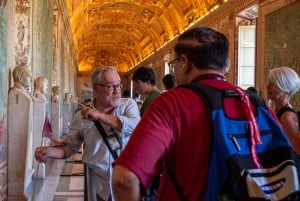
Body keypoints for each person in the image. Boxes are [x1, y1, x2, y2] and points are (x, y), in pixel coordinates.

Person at [111, 27, 279, 201]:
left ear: (184, 62)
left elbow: (124, 179)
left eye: (174, 63)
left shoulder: (172, 103)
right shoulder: (255, 103)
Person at [35, 66, 140, 201]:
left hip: (127, 182)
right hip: (98, 184)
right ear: (96, 88)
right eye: (110, 86)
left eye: (118, 85)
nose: (117, 91)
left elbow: (133, 126)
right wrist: (49, 152)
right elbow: (69, 148)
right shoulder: (81, 117)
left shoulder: (128, 105)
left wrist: (98, 115)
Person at [267, 66, 300, 155]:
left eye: (273, 84)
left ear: (287, 89)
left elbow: (297, 151)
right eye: (270, 83)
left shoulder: (287, 116)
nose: (268, 86)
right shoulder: (278, 112)